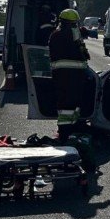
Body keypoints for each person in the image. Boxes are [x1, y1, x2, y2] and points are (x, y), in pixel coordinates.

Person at [48, 9, 90, 143]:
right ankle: (72, 130)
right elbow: (84, 54)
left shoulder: (54, 35)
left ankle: (64, 132)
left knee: (63, 105)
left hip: (60, 76)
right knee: (76, 103)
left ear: (61, 21)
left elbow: (52, 55)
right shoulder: (76, 35)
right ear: (75, 23)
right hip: (77, 76)